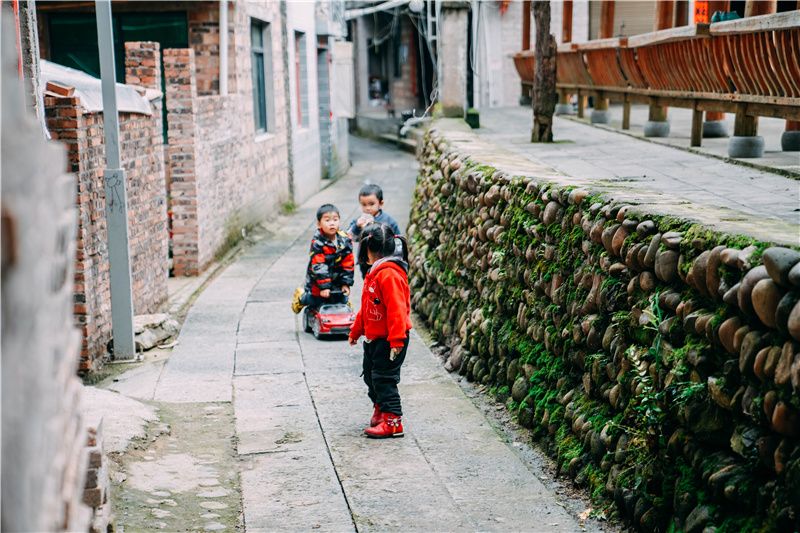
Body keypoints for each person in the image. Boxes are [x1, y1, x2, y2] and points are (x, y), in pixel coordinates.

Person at [348, 223, 412, 439]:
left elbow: (397, 310)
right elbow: (367, 307)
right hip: (375, 338)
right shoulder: (375, 273)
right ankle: (380, 410)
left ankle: (393, 422)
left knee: (385, 379)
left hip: (391, 338)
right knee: (370, 376)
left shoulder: (389, 275)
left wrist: (396, 340)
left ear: (368, 249)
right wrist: (356, 331)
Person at [291, 204, 354, 314]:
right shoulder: (318, 242)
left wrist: (345, 283)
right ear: (319, 224)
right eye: (327, 220)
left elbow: (348, 263)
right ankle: (301, 297)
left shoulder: (344, 240)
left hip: (337, 280)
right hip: (318, 282)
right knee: (316, 300)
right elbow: (319, 266)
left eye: (335, 219)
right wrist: (324, 287)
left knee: (341, 299)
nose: (332, 223)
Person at [347, 184, 401, 279]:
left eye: (371, 204)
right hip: (366, 260)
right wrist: (357, 226)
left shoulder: (389, 221)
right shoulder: (359, 221)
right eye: (364, 205)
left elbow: (398, 240)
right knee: (368, 280)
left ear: (381, 203)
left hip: (385, 259)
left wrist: (395, 258)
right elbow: (350, 237)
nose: (367, 208)